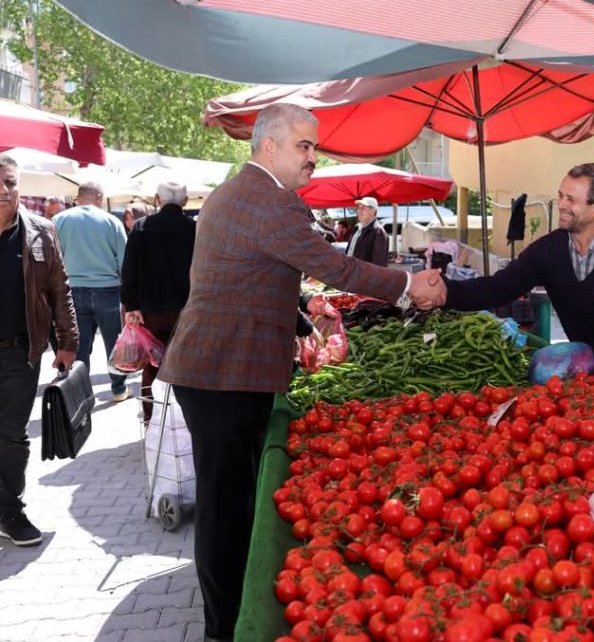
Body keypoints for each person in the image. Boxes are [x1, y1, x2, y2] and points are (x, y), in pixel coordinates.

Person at [157, 103, 445, 641]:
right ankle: (222, 629)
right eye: (304, 146)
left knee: (233, 495)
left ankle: (231, 607)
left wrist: (295, 316)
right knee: (223, 503)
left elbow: (242, 275)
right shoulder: (272, 201)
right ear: (269, 146)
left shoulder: (238, 192)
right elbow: (332, 265)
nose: (314, 157)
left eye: (315, 146)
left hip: (217, 367)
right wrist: (407, 286)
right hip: (225, 372)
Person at [444, 162, 594, 391]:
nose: (561, 204)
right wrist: (446, 292)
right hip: (584, 375)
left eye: (571, 199)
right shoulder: (548, 252)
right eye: (561, 195)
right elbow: (499, 287)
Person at [0, 155, 78, 547]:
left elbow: (59, 290)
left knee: (11, 435)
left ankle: (10, 511)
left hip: (19, 351)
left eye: (10, 182)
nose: (3, 190)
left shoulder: (41, 231)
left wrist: (69, 342)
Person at [121, 182, 196, 425]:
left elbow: (129, 271)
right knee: (186, 363)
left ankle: (151, 417)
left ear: (157, 199)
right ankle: (187, 418)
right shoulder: (194, 229)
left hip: (150, 311)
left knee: (152, 365)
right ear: (185, 201)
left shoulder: (141, 228)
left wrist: (131, 306)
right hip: (187, 310)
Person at [53, 182, 130, 401]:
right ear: (98, 197)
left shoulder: (59, 221)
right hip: (108, 290)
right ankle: (118, 389)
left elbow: (53, 258)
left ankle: (82, 394)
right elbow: (125, 261)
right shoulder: (111, 222)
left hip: (73, 290)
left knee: (80, 345)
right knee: (114, 343)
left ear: (79, 197)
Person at [346, 196, 389, 267]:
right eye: (359, 207)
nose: (359, 210)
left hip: (364, 276)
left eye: (363, 208)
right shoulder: (357, 228)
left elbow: (379, 264)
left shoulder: (378, 232)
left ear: (373, 211)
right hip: (352, 274)